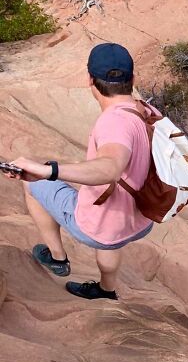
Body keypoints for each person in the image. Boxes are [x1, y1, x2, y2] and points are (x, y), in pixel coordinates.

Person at [3, 43, 157, 300]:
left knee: (33, 185)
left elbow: (110, 167)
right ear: (133, 78)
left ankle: (56, 257)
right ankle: (106, 290)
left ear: (90, 79)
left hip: (99, 227)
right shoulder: (147, 111)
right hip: (140, 219)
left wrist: (47, 171)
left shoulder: (114, 122)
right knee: (110, 230)